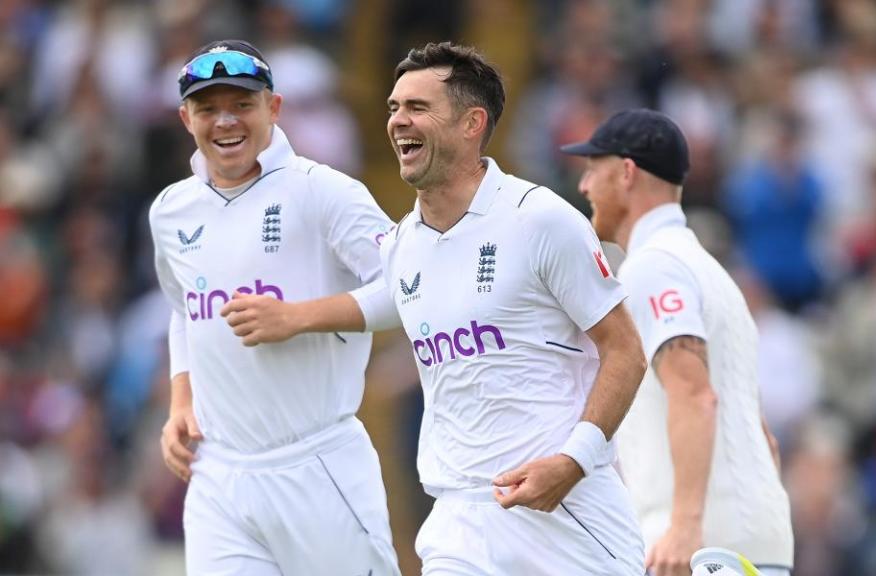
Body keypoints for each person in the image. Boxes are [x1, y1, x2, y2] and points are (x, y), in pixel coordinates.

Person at [221, 41, 649, 575]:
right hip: (459, 522)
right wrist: (295, 318)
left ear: (472, 123)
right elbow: (388, 302)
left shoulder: (539, 218)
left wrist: (573, 461)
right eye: (394, 108)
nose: (398, 121)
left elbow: (626, 350)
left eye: (417, 108)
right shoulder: (402, 245)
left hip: (566, 511)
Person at [148, 39, 400, 576]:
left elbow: (410, 288)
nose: (225, 122)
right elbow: (184, 310)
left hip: (318, 464)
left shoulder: (323, 191)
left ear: (273, 108)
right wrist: (181, 401)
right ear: (185, 117)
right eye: (208, 108)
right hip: (219, 475)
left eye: (241, 104)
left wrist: (297, 318)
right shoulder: (171, 210)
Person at [561, 109, 794, 576]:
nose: (584, 187)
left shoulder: (654, 267)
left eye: (593, 169)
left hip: (706, 548)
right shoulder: (711, 272)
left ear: (626, 172)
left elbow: (694, 395)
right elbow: (762, 437)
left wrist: (686, 526)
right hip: (746, 538)